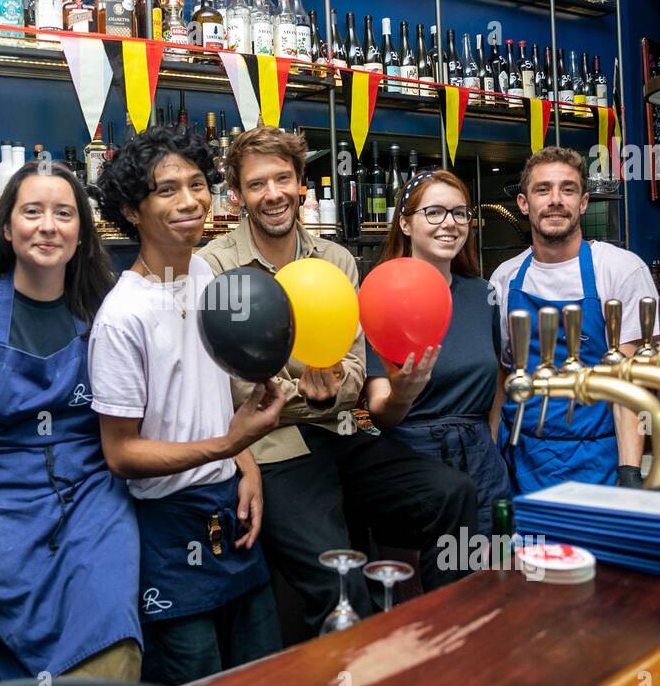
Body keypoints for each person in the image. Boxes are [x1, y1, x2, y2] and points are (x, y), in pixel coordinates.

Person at [200, 126, 479, 636]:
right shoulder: (215, 267)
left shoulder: (337, 260)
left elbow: (352, 373)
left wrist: (317, 388)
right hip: (275, 449)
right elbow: (229, 385)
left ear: (301, 182)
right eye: (258, 184)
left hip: (347, 432)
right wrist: (303, 386)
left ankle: (450, 635)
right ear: (237, 195)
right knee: (339, 584)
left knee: (452, 493)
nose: (273, 193)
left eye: (283, 178)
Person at [91, 124, 287, 686]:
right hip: (169, 532)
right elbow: (121, 454)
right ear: (132, 210)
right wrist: (232, 445)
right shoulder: (122, 316)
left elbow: (216, 388)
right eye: (167, 190)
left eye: (198, 184)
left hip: (231, 510)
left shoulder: (205, 274)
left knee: (261, 678)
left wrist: (245, 465)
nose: (190, 201)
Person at [0, 161, 142, 681]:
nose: (48, 225)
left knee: (111, 638)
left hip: (95, 497)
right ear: (7, 228)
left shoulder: (106, 309)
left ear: (80, 234)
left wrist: (240, 455)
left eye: (64, 214)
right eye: (32, 211)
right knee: (32, 660)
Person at [490, 145, 659, 493]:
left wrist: (629, 470)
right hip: (522, 457)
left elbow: (630, 383)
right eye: (543, 189)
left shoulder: (620, 269)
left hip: (599, 457)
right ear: (524, 203)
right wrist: (491, 458)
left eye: (567, 189)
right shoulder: (504, 279)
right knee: (526, 549)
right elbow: (502, 376)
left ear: (583, 202)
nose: (555, 200)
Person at [363, 168, 511, 536]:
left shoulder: (483, 294)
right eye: (434, 212)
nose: (450, 223)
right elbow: (381, 414)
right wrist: (403, 393)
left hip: (483, 461)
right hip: (414, 463)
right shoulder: (380, 295)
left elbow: (498, 376)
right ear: (406, 224)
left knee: (493, 576)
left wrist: (489, 439)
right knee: (437, 583)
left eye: (460, 212)